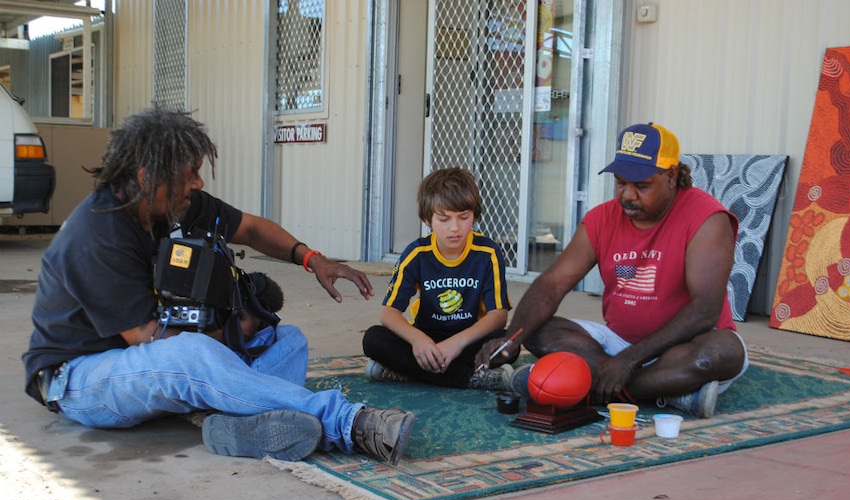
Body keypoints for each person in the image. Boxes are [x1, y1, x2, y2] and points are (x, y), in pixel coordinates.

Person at [22, 107, 415, 466]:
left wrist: (312, 259)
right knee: (193, 354)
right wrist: (232, 331)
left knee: (288, 340)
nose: (198, 181)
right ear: (147, 178)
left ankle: (232, 425)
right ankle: (350, 424)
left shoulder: (172, 205)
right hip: (81, 378)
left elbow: (250, 228)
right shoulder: (97, 235)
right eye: (188, 174)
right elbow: (145, 336)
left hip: (158, 366)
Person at [476, 122, 749, 418]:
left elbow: (705, 310)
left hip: (683, 346)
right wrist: (512, 337)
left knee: (719, 353)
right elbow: (553, 283)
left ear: (671, 176)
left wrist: (629, 360)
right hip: (616, 343)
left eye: (641, 185)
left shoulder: (707, 219)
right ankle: (667, 393)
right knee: (537, 330)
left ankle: (592, 389)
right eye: (621, 183)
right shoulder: (601, 219)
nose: (627, 195)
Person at [362, 167, 517, 390]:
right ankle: (469, 378)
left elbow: (498, 315)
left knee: (508, 345)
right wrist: (418, 340)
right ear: (427, 219)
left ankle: (406, 373)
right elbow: (389, 312)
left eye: (463, 217)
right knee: (374, 339)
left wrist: (456, 343)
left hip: (469, 339)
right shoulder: (416, 254)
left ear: (474, 214)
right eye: (444, 219)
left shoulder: (487, 252)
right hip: (428, 338)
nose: (455, 228)